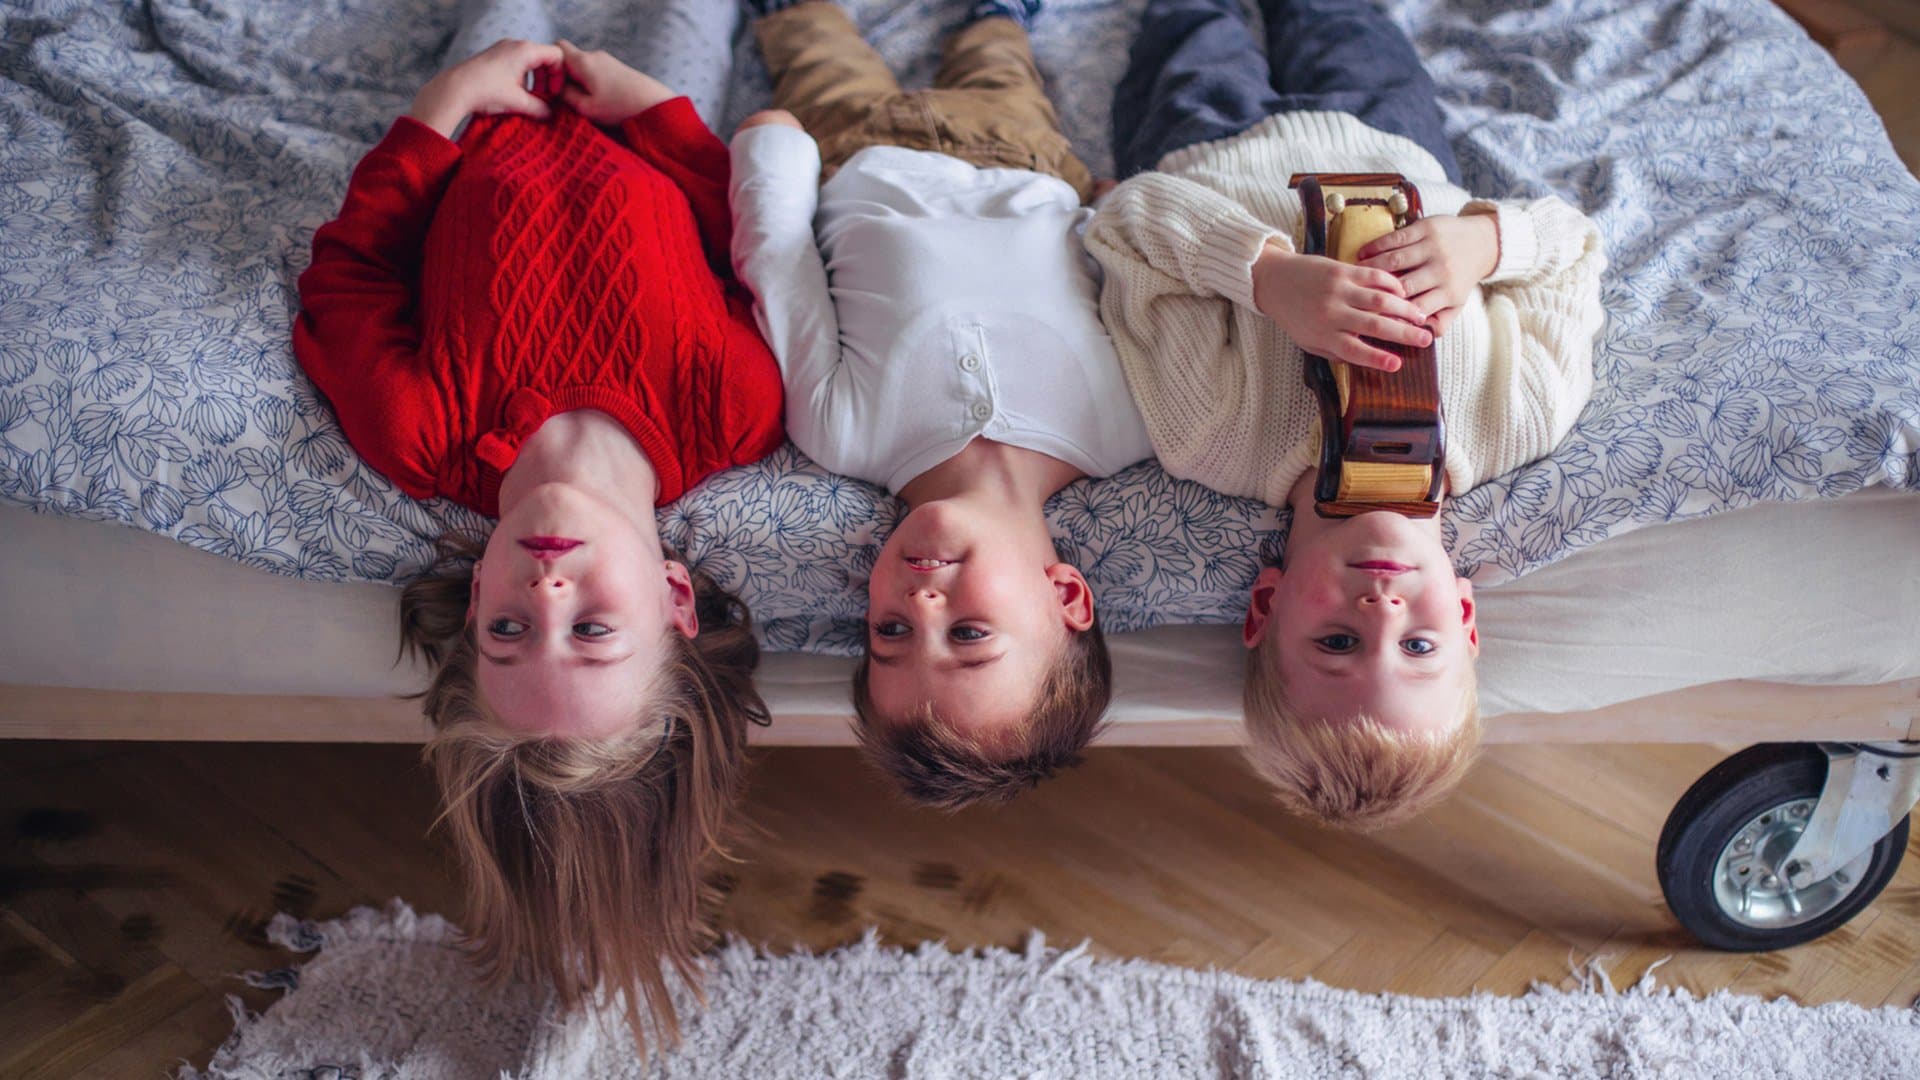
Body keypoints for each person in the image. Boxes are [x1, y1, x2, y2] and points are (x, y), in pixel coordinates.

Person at [292, 33, 784, 1046]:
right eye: (593, 631)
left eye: (510, 630)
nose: (548, 593)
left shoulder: (417, 431)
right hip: (638, 110)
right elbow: (752, 248)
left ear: (475, 599)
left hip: (481, 114)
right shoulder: (735, 410)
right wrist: (656, 115)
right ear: (676, 600)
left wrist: (446, 101)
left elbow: (351, 269)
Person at [1085, 0, 1607, 829]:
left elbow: (1125, 224)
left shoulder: (1211, 435)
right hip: (1395, 142)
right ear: (1465, 618)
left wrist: (1265, 277)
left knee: (1187, 23)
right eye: (1419, 648)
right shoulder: (1520, 418)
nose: (1381, 615)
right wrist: (1483, 245)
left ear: (1265, 608)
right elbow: (1573, 247)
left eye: (1336, 645)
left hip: (1207, 142)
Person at [727, 0, 1154, 809]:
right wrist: (1113, 208)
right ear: (1066, 596)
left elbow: (782, 273)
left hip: (859, 154)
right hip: (1027, 162)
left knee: (813, 45)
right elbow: (1135, 293)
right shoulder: (1132, 426)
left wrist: (770, 155)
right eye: (968, 634)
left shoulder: (846, 434)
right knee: (1000, 55)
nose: (920, 604)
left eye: (890, 632)